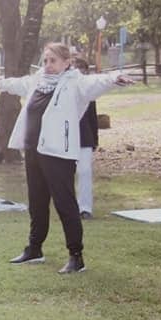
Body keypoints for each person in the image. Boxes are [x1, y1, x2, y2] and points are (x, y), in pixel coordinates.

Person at [0, 42, 133, 274]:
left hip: (59, 153)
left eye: (53, 60)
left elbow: (96, 82)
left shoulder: (75, 83)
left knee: (65, 203)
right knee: (36, 202)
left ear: (67, 63)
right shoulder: (38, 80)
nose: (48, 65)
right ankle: (35, 248)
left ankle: (76, 256)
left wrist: (115, 77)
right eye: (45, 60)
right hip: (33, 149)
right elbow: (19, 83)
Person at [72, 57, 99, 219]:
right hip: (66, 138)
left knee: (85, 171)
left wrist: (95, 139)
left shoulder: (89, 92)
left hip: (85, 137)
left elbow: (92, 117)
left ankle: (85, 208)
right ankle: (70, 206)